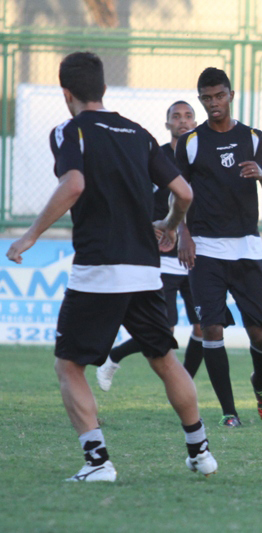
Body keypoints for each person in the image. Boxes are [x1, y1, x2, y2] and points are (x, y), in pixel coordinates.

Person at [5, 51, 217, 481]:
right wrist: (170, 226)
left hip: (99, 268)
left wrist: (30, 235)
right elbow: (185, 192)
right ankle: (201, 453)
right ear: (102, 88)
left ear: (67, 94)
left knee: (69, 364)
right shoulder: (138, 134)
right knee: (164, 359)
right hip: (144, 268)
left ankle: (97, 464)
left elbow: (74, 184)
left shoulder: (69, 130)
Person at [175, 67, 262, 427]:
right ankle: (229, 412)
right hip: (205, 249)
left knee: (260, 333)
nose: (214, 103)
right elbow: (179, 193)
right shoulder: (191, 142)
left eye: (219, 95)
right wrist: (183, 235)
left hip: (247, 247)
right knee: (212, 328)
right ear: (201, 99)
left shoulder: (252, 138)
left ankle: (260, 383)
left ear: (231, 95)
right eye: (207, 98)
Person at [96, 100, 204, 390]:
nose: (183, 121)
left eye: (188, 116)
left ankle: (186, 385)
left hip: (197, 256)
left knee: (204, 328)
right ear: (167, 124)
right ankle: (114, 356)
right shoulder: (157, 158)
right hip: (164, 256)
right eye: (176, 117)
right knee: (164, 329)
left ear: (196, 123)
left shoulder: (202, 156)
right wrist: (150, 229)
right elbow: (138, 199)